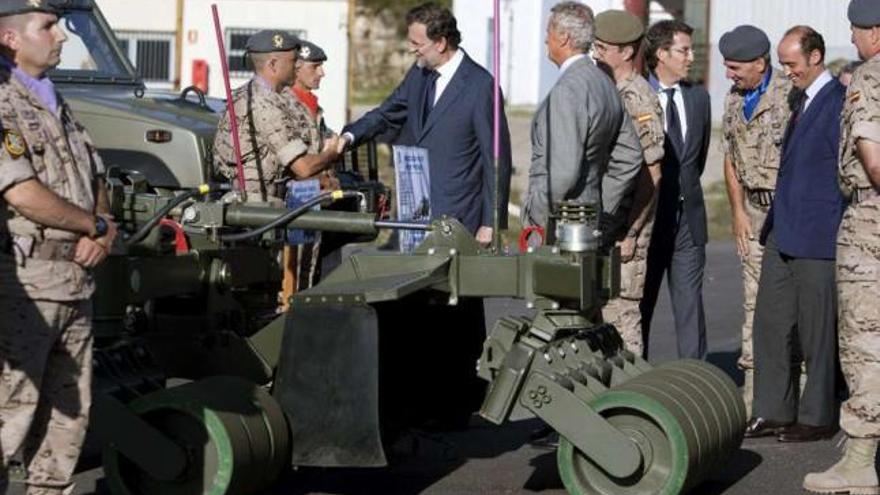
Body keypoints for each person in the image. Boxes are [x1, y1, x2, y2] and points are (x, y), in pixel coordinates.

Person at [0, 2, 119, 493]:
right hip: (24, 285)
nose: (61, 37)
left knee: (64, 435)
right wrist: (90, 225)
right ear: (10, 39)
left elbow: (96, 177)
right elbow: (22, 192)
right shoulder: (4, 102)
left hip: (73, 284)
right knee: (8, 422)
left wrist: (105, 228)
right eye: (47, 27)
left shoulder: (54, 100)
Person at [341, 2, 512, 246]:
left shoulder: (480, 86)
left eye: (417, 44)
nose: (411, 50)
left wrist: (490, 222)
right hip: (415, 211)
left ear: (441, 43)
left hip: (459, 217)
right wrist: (348, 138)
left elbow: (496, 159)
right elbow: (387, 113)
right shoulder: (419, 74)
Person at [746, 25, 845, 443]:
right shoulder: (800, 100)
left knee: (817, 329)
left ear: (816, 57)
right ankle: (772, 409)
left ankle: (819, 414)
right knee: (770, 321)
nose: (787, 72)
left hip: (819, 233)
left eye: (792, 63)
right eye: (783, 63)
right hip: (784, 229)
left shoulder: (839, 102)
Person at [804, 0, 880, 491]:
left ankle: (859, 463)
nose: (852, 41)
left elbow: (872, 157)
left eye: (855, 31)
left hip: (871, 223)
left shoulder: (872, 78)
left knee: (866, 343)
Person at [718, 25, 792, 416]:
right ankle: (753, 393)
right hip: (754, 212)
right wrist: (737, 211)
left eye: (734, 67)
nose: (729, 75)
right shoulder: (733, 100)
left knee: (795, 304)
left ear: (760, 63)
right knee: (754, 301)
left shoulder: (790, 96)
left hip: (790, 212)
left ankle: (799, 390)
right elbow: (729, 157)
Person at [521, 2, 642, 237]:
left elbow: (563, 173)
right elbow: (630, 156)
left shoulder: (568, 90)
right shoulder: (604, 83)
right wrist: (599, 206)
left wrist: (536, 214)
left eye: (549, 32)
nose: (546, 40)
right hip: (586, 221)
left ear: (564, 37)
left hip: (559, 226)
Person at [592, 10, 665, 356]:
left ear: (626, 51)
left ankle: (632, 395)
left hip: (625, 228)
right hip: (605, 225)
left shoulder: (637, 97)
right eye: (595, 45)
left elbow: (652, 174)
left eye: (604, 47)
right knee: (597, 316)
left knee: (621, 318)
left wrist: (631, 233)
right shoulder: (607, 89)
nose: (596, 53)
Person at [639, 20, 712, 359]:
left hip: (688, 220)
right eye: (684, 50)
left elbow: (695, 161)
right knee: (640, 308)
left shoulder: (699, 98)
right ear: (661, 54)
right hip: (647, 221)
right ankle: (637, 381)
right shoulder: (636, 95)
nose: (690, 57)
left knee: (690, 309)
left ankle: (695, 382)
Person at [213, 30, 341, 203]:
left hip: (270, 202)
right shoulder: (262, 104)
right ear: (273, 64)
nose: (297, 66)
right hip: (257, 207)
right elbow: (303, 167)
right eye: (293, 61)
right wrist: (331, 153)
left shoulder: (272, 97)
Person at [279, 40, 341, 307]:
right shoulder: (285, 106)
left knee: (309, 270)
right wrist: (323, 178)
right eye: (315, 67)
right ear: (298, 68)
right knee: (290, 275)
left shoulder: (313, 107)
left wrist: (331, 176)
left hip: (314, 201)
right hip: (292, 203)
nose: (321, 73)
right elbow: (295, 164)